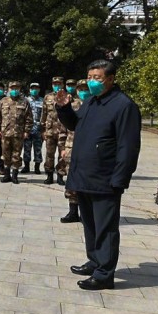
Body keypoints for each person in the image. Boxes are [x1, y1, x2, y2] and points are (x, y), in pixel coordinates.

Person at [56, 60, 141, 290]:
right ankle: (94, 261)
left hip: (105, 178)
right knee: (90, 224)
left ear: (111, 79)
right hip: (84, 175)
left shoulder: (124, 106)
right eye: (90, 76)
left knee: (106, 228)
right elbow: (75, 125)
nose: (92, 81)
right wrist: (64, 108)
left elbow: (129, 146)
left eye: (97, 78)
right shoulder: (91, 102)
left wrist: (120, 179)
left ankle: (104, 274)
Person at [59, 79, 88, 224]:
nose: (83, 91)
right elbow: (63, 128)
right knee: (72, 180)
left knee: (86, 181)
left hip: (88, 149)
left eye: (85, 88)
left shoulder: (94, 105)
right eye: (80, 89)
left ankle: (85, 212)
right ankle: (72, 211)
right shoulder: (71, 105)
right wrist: (62, 148)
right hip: (71, 147)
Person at [0, 81, 31, 184]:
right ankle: (6, 174)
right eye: (12, 88)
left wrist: (27, 131)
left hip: (18, 133)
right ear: (9, 89)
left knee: (16, 154)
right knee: (5, 154)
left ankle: (14, 175)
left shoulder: (24, 102)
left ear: (19, 89)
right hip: (5, 133)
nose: (14, 90)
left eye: (16, 88)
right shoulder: (3, 101)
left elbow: (29, 118)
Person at [41, 75, 67, 186]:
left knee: (62, 155)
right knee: (49, 154)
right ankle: (49, 175)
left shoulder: (67, 96)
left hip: (63, 131)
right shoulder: (47, 97)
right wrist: (42, 129)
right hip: (50, 131)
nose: (57, 86)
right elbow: (44, 114)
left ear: (62, 85)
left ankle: (60, 175)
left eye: (59, 84)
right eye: (54, 84)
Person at [22, 82, 43, 174]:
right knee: (27, 148)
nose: (34, 90)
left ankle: (37, 167)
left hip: (38, 129)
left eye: (36, 88)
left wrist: (43, 129)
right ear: (30, 89)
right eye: (33, 88)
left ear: (39, 89)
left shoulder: (43, 101)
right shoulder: (25, 101)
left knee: (38, 149)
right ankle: (26, 166)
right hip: (27, 129)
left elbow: (44, 115)